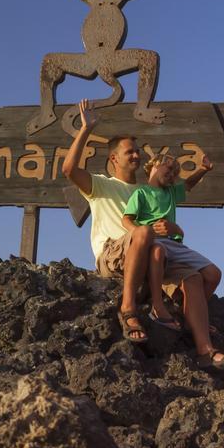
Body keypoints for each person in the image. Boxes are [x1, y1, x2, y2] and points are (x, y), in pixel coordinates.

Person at [122, 153, 224, 369]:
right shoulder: (141, 192)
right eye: (167, 168)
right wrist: (138, 233)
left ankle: (190, 317)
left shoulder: (170, 193)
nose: (171, 174)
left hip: (175, 243)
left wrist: (203, 169)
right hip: (154, 241)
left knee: (213, 274)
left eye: (175, 172)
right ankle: (158, 306)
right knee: (157, 252)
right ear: (153, 167)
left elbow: (189, 184)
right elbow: (126, 218)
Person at [62, 99, 159, 343]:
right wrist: (86, 129)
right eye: (130, 152)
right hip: (112, 255)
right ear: (114, 159)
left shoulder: (145, 192)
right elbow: (69, 169)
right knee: (144, 233)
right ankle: (128, 309)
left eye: (137, 151)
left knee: (207, 274)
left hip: (146, 254)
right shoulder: (101, 185)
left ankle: (203, 344)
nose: (136, 155)